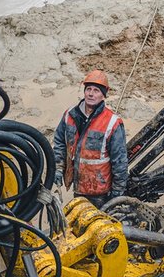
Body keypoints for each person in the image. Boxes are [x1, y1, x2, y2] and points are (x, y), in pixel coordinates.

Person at [52, 69, 129, 207]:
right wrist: (58, 168)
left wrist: (118, 192)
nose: (91, 94)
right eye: (88, 89)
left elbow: (120, 161)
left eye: (96, 91)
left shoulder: (112, 122)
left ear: (103, 95)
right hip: (78, 187)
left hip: (101, 192)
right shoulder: (69, 115)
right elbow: (59, 142)